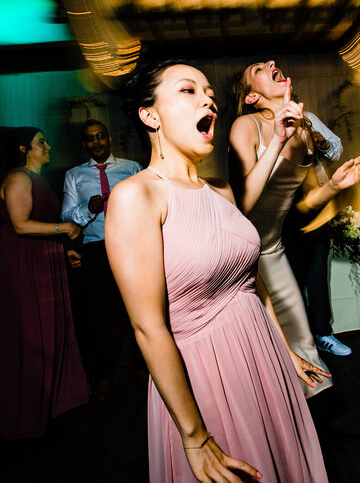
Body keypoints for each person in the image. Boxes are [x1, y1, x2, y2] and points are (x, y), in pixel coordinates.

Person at [108, 61, 329, 482]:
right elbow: (148, 328)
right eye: (188, 91)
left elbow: (253, 282)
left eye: (208, 91)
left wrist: (285, 353)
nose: (207, 97)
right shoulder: (136, 196)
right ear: (150, 115)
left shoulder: (220, 190)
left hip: (265, 362)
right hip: (205, 379)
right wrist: (193, 436)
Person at [230, 60, 360, 396]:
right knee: (266, 351)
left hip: (274, 250)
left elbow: (303, 204)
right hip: (245, 251)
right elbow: (243, 205)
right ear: (251, 97)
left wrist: (335, 185)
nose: (272, 64)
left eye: (270, 63)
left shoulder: (304, 130)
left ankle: (301, 424)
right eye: (259, 69)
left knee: (302, 341)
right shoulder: (244, 126)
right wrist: (278, 138)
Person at [0, 127, 89, 440]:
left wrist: (68, 251)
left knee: (51, 331)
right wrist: (64, 228)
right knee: (32, 335)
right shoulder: (18, 178)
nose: (48, 146)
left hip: (44, 260)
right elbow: (21, 225)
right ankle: (25, 415)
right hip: (24, 264)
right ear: (25, 149)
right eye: (41, 142)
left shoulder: (38, 180)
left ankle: (51, 405)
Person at [61, 119, 143, 396]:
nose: (96, 142)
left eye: (100, 137)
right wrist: (87, 208)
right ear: (84, 144)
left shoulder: (132, 168)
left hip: (134, 247)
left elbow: (148, 203)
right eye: (90, 138)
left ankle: (143, 369)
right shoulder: (73, 175)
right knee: (102, 315)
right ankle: (103, 374)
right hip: (97, 250)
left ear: (109, 139)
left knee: (139, 309)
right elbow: (66, 216)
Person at [282, 111, 353, 357]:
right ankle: (297, 341)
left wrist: (318, 140)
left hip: (315, 201)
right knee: (290, 277)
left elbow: (335, 149)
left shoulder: (308, 118)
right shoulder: (256, 125)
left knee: (317, 273)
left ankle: (323, 334)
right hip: (281, 210)